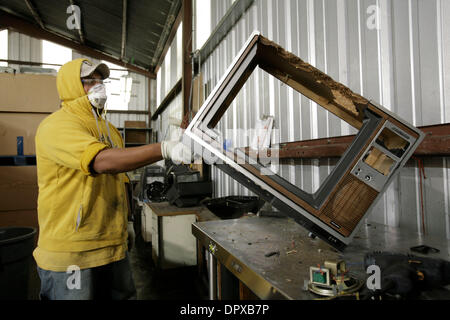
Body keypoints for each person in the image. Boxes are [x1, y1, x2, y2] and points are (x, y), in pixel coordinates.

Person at [33, 58, 192, 300]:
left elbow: (121, 181)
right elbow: (103, 162)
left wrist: (127, 224)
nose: (99, 86)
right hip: (73, 251)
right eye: (89, 81)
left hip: (111, 245)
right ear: (70, 86)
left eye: (101, 81)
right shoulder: (57, 126)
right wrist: (164, 149)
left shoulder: (109, 130)